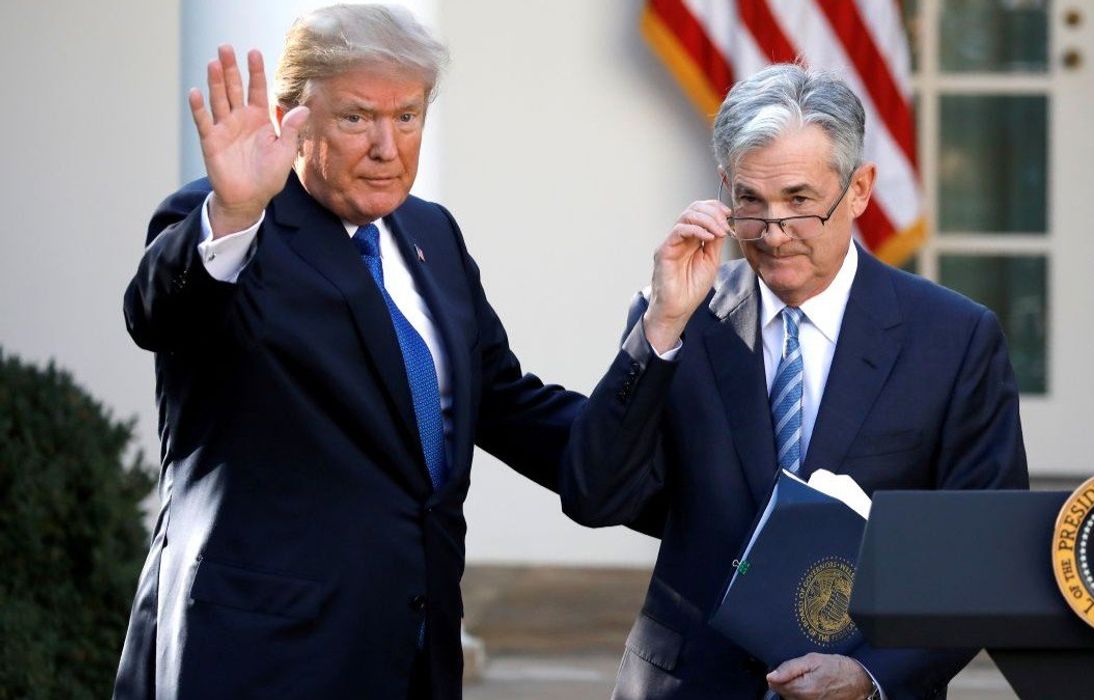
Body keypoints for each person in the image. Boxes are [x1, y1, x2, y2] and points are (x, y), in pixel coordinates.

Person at [115, 5, 581, 699]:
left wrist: (676, 464)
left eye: (408, 117)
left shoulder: (432, 234)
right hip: (258, 657)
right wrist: (236, 213)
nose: (387, 147)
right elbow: (159, 313)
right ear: (292, 117)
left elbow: (504, 402)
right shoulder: (229, 224)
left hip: (411, 652)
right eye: (357, 118)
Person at [561, 64, 1029, 700]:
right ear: (724, 189)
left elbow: (985, 553)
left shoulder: (953, 339)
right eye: (750, 203)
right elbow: (594, 496)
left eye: (801, 202)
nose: (775, 234)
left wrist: (871, 675)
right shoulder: (677, 320)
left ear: (859, 190)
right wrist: (662, 327)